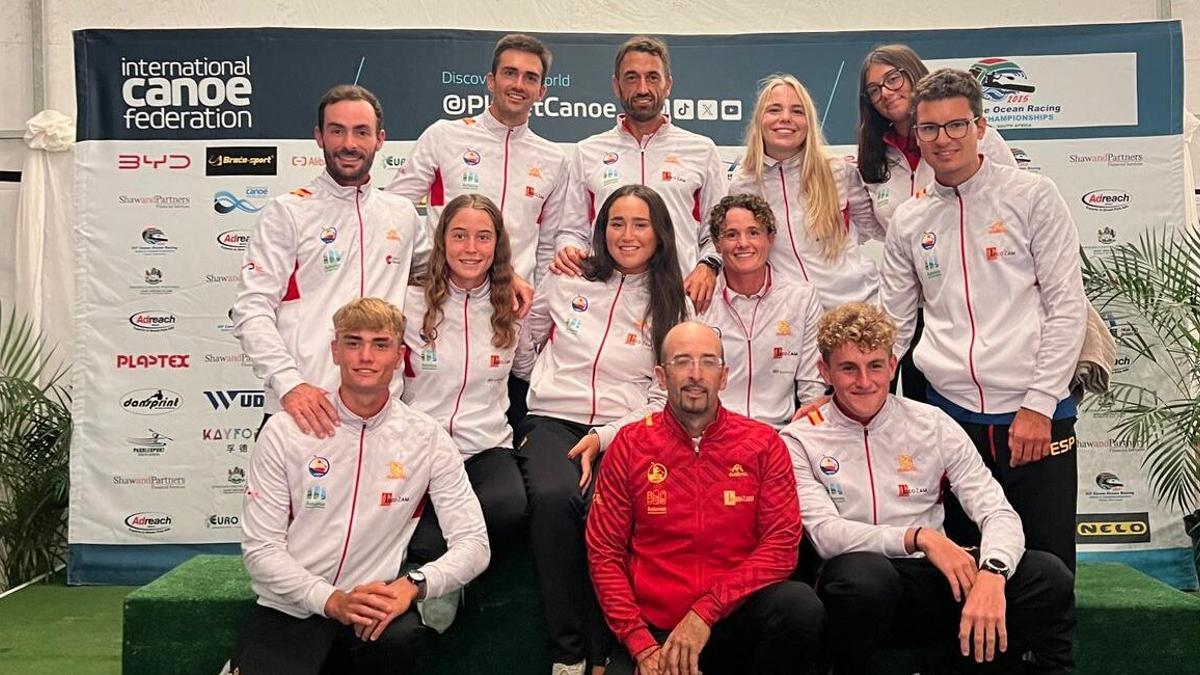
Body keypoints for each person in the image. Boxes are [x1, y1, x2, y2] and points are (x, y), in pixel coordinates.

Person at [881, 68, 1085, 669]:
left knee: (1046, 573)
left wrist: (1039, 404)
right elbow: (893, 326)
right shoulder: (910, 221)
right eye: (929, 129)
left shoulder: (1031, 195)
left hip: (1035, 417)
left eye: (955, 125)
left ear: (980, 126)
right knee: (969, 570)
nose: (943, 139)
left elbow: (1066, 306)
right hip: (953, 420)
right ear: (915, 136)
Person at [781, 302, 1074, 674]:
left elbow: (996, 510)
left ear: (892, 365)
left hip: (931, 579)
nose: (865, 382)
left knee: (1048, 575)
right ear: (825, 371)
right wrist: (919, 537)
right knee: (865, 578)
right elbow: (826, 535)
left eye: (875, 366)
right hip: (856, 586)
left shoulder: (932, 423)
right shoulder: (800, 438)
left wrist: (993, 571)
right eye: (848, 369)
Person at [232, 297, 489, 674]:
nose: (365, 356)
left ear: (400, 356)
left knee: (402, 641)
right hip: (292, 606)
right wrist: (330, 599)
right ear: (335, 351)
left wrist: (414, 585)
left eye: (380, 344)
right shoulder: (284, 431)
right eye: (353, 342)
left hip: (374, 610)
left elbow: (474, 544)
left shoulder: (426, 437)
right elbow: (260, 551)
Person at [515, 184, 689, 675]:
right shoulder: (568, 278)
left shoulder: (674, 301)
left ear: (659, 234)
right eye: (616, 223)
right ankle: (567, 653)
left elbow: (664, 398)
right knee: (554, 498)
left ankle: (606, 652)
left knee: (608, 511)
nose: (627, 235)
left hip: (626, 430)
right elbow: (524, 346)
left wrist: (607, 436)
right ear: (601, 228)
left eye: (639, 224)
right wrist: (547, 381)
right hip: (552, 418)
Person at [587, 321, 823, 675]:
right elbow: (604, 554)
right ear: (662, 377)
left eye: (708, 362)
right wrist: (641, 645)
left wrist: (705, 612)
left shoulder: (763, 444)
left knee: (799, 605)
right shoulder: (629, 445)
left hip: (734, 621)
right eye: (682, 361)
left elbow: (781, 548)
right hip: (657, 633)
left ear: (724, 376)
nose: (695, 374)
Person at [233, 84, 428, 438]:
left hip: (380, 417)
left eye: (361, 132)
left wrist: (505, 276)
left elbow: (451, 272)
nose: (349, 144)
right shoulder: (287, 212)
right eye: (337, 131)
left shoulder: (402, 213)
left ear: (380, 140)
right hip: (303, 412)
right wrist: (290, 385)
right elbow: (251, 309)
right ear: (319, 137)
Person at [856, 44, 1018, 404]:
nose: (886, 92)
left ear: (914, 74)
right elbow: (884, 227)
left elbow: (1008, 202)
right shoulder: (874, 152)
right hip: (912, 308)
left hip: (981, 303)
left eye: (893, 78)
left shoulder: (977, 138)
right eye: (875, 89)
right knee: (920, 418)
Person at [551, 35, 726, 312]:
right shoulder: (588, 151)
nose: (642, 88)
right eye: (631, 78)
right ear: (616, 86)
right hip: (606, 302)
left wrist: (709, 265)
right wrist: (569, 249)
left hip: (679, 297)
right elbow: (571, 231)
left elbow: (717, 233)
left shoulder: (702, 150)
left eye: (652, 77)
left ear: (668, 84)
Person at [402, 194, 527, 566]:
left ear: (497, 244)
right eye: (459, 236)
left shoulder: (514, 307)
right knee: (401, 521)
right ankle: (445, 577)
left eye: (483, 237)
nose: (471, 248)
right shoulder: (409, 302)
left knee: (509, 506)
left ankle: (436, 571)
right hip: (418, 444)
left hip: (485, 447)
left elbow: (529, 369)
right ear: (441, 241)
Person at [387, 33, 567, 287]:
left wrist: (538, 307)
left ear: (541, 91)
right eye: (510, 73)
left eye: (530, 78)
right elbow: (395, 210)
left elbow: (548, 245)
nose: (518, 84)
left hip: (512, 307)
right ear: (491, 81)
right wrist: (431, 262)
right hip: (442, 298)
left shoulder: (554, 159)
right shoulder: (444, 136)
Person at [727, 73, 881, 311]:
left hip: (856, 306)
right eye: (775, 110)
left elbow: (874, 227)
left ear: (809, 122)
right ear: (759, 119)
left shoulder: (838, 171)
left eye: (797, 111)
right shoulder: (743, 183)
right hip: (790, 316)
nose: (786, 118)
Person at [697, 193, 824, 427]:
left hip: (779, 432)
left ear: (770, 238)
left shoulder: (801, 297)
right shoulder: (698, 297)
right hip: (712, 434)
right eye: (731, 234)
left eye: (753, 232)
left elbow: (811, 387)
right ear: (716, 243)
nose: (743, 243)